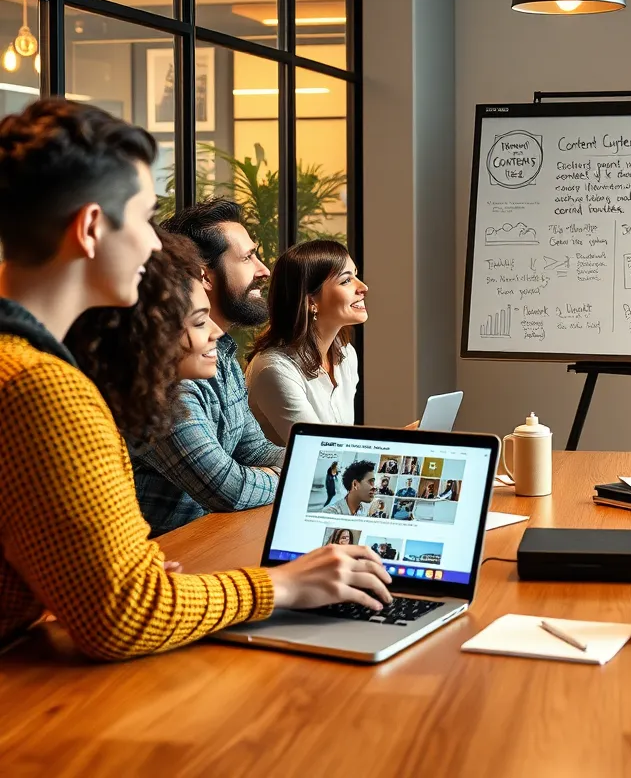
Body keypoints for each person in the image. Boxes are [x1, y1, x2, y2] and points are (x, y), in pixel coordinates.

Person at [0, 100, 391, 660]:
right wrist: (286, 586)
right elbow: (123, 617)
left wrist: (120, 565)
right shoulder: (45, 389)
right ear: (89, 229)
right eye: (141, 218)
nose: (156, 246)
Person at [65, 230, 283, 537]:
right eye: (197, 322)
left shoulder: (218, 360)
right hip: (173, 546)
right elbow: (227, 489)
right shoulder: (149, 398)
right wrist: (290, 476)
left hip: (197, 543)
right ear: (153, 333)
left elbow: (254, 450)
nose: (215, 333)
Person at [245, 240, 367, 446]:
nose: (363, 287)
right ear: (311, 301)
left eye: (355, 275)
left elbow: (342, 445)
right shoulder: (274, 369)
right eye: (346, 281)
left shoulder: (345, 355)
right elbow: (318, 452)